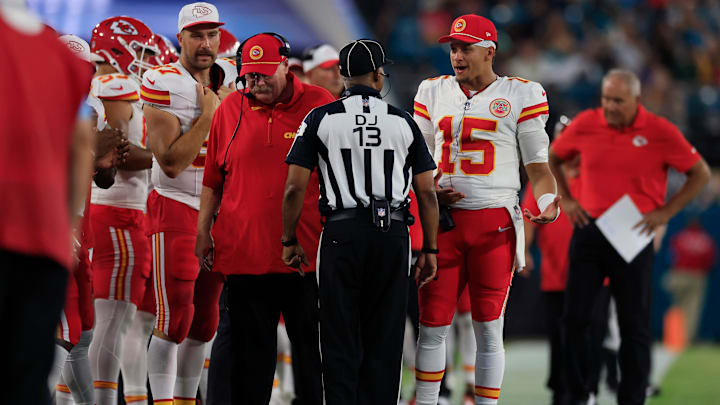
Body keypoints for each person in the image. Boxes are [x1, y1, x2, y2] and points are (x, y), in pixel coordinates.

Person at [412, 14, 560, 405]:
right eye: (453, 48)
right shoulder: (432, 91)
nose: (457, 56)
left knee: (489, 328)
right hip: (440, 223)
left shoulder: (520, 94)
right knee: (432, 326)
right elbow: (415, 162)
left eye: (466, 48)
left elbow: (539, 168)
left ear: (489, 51)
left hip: (494, 223)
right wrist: (427, 193)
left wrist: (548, 202)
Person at [281, 38, 439, 404]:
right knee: (385, 337)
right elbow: (427, 193)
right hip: (393, 236)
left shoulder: (319, 118)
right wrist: (429, 247)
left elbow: (293, 189)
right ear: (378, 74)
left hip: (341, 233)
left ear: (342, 76)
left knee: (338, 336)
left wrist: (289, 240)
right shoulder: (402, 121)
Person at [549, 68, 711, 405]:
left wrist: (666, 212)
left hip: (634, 234)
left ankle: (631, 398)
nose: (609, 106)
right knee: (575, 318)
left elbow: (700, 173)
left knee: (633, 325)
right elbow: (553, 155)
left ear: (637, 100)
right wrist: (567, 198)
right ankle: (579, 394)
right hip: (590, 230)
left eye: (618, 101)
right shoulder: (586, 122)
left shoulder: (659, 130)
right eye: (606, 98)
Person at [195, 31, 334, 404]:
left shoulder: (320, 104)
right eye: (249, 76)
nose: (254, 83)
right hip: (244, 257)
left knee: (311, 360)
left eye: (262, 74)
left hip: (304, 256)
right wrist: (203, 230)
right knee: (249, 365)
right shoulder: (230, 109)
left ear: (286, 67)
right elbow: (212, 181)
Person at [141, 3, 236, 404]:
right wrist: (210, 114)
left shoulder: (234, 77)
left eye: (212, 34)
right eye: (197, 35)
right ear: (180, 38)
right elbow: (173, 162)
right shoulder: (162, 80)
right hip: (175, 203)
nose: (205, 43)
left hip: (219, 211)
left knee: (205, 323)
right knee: (174, 317)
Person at [0, 3, 94, 404]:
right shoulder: (60, 56)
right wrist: (67, 225)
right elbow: (82, 144)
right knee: (26, 381)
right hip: (46, 240)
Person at [85, 16, 158, 405]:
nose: (146, 59)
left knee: (105, 323)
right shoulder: (114, 88)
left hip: (107, 214)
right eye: (142, 50)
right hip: (118, 215)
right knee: (111, 322)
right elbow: (113, 157)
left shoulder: (98, 88)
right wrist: (164, 157)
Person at [665, 219, 716, 341]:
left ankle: (672, 336)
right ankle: (685, 339)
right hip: (697, 276)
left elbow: (671, 257)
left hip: (679, 275)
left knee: (675, 306)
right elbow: (710, 262)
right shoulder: (706, 240)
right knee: (692, 310)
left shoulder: (679, 237)